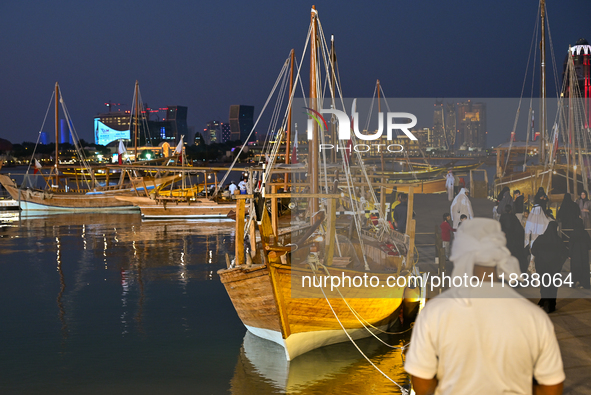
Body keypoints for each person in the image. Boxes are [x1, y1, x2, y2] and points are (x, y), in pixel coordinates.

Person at [405, 218, 565, 395]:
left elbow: (421, 379)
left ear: (460, 252)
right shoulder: (533, 317)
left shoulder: (434, 313)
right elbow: (552, 385)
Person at [531, 221, 569, 313]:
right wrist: (559, 263)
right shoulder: (559, 240)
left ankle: (545, 301)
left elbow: (533, 251)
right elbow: (565, 253)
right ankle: (551, 304)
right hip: (554, 268)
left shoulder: (540, 238)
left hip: (542, 266)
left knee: (544, 284)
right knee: (553, 285)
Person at [525, 187, 550, 272]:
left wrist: (526, 240)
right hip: (540, 236)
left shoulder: (533, 211)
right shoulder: (541, 213)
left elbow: (528, 226)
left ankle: (532, 264)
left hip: (534, 237)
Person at [500, 205, 527, 274]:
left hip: (506, 239)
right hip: (514, 240)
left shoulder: (502, 217)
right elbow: (519, 230)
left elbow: (500, 227)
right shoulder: (513, 217)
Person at [569, 218, 591, 289]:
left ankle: (574, 282)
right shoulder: (585, 233)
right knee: (584, 268)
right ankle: (584, 283)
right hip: (584, 254)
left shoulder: (573, 233)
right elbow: (589, 245)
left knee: (575, 268)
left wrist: (570, 254)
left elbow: (570, 245)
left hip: (575, 255)